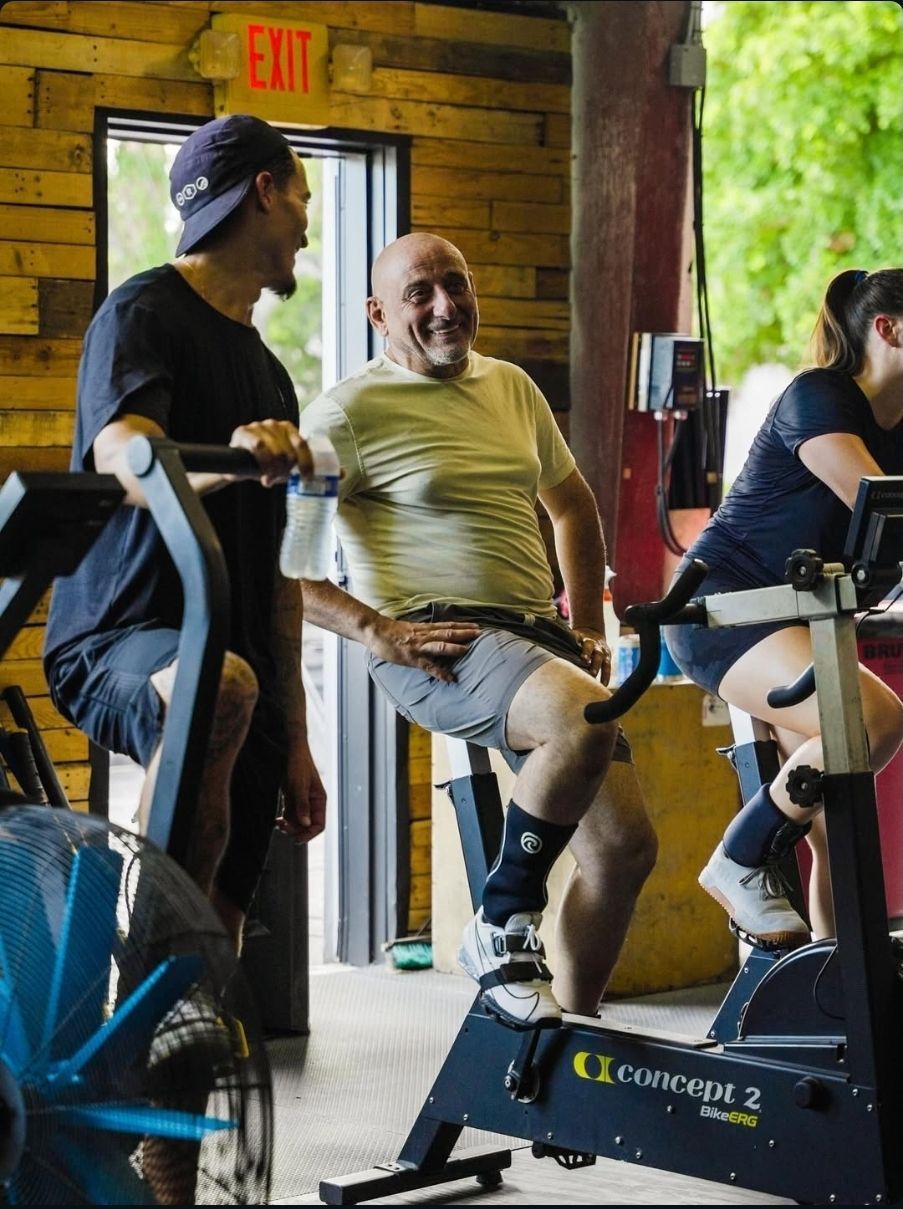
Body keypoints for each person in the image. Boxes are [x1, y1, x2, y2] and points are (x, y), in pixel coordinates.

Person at [299, 231, 657, 1029]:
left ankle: (568, 1046)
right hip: (437, 637)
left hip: (538, 638)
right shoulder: (345, 412)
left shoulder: (511, 386)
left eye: (454, 285)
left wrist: (587, 622)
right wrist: (374, 630)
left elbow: (572, 505)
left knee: (623, 848)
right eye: (418, 294)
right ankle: (501, 919)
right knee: (578, 717)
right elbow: (283, 566)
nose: (443, 307)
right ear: (375, 315)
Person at [43, 113, 327, 954]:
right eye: (302, 196)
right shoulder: (141, 312)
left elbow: (280, 573)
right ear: (264, 192)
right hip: (119, 639)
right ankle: (123, 990)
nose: (308, 224)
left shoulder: (271, 372)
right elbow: (123, 454)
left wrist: (298, 737)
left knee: (216, 940)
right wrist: (229, 458)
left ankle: (168, 1057)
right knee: (221, 685)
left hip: (234, 661)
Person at [664, 268, 903, 948]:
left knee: (841, 822)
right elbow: (872, 497)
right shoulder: (818, 397)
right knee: (871, 718)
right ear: (885, 329)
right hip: (722, 612)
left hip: (798, 622)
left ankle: (843, 994)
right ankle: (739, 856)